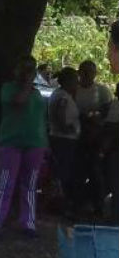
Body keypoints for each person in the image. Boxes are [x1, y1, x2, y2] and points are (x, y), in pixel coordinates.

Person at [0, 55, 47, 237]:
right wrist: (27, 82)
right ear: (16, 71)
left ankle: (27, 222)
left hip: (35, 144)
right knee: (5, 182)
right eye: (24, 68)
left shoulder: (37, 94)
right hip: (10, 143)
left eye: (31, 69)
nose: (27, 72)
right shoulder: (8, 89)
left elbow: (40, 120)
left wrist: (46, 144)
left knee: (29, 184)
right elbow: (19, 101)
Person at [75, 60, 113, 212]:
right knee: (78, 171)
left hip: (96, 138)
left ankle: (98, 205)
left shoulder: (102, 91)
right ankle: (77, 203)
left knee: (96, 172)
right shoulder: (74, 90)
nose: (88, 75)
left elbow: (108, 113)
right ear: (80, 72)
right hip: (77, 136)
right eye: (85, 71)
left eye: (91, 71)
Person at [49, 67, 81, 214]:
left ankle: (57, 203)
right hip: (63, 140)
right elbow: (61, 114)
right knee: (62, 172)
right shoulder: (62, 96)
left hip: (62, 139)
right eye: (75, 79)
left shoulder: (62, 94)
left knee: (60, 171)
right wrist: (67, 129)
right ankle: (59, 205)